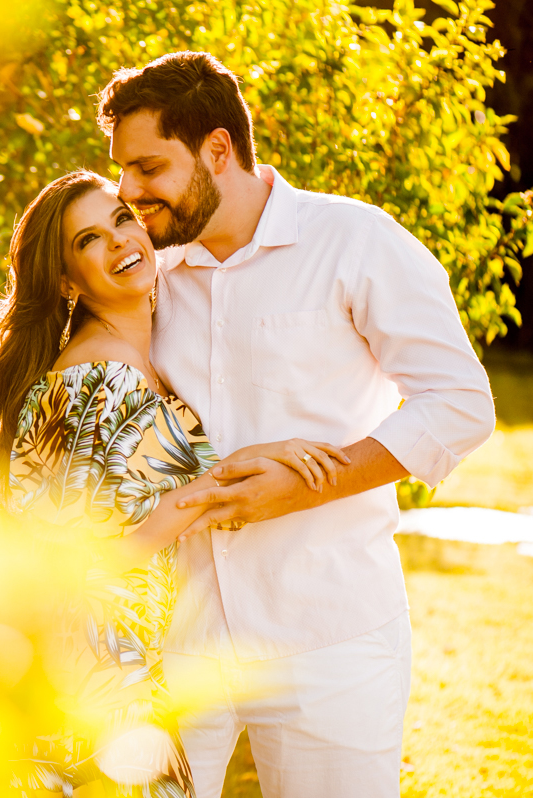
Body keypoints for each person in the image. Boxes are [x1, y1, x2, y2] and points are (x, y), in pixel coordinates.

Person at [94, 51, 495, 798]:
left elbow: (461, 403)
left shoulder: (355, 242)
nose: (129, 192)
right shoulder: (148, 272)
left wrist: (305, 487)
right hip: (178, 642)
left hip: (331, 634)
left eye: (148, 168)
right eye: (122, 171)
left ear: (218, 150)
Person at [0, 170, 348, 797]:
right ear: (67, 281)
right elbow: (87, 559)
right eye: (89, 240)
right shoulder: (91, 383)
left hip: (132, 669)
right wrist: (207, 489)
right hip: (92, 684)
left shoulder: (138, 360)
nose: (121, 241)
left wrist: (249, 462)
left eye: (123, 219)